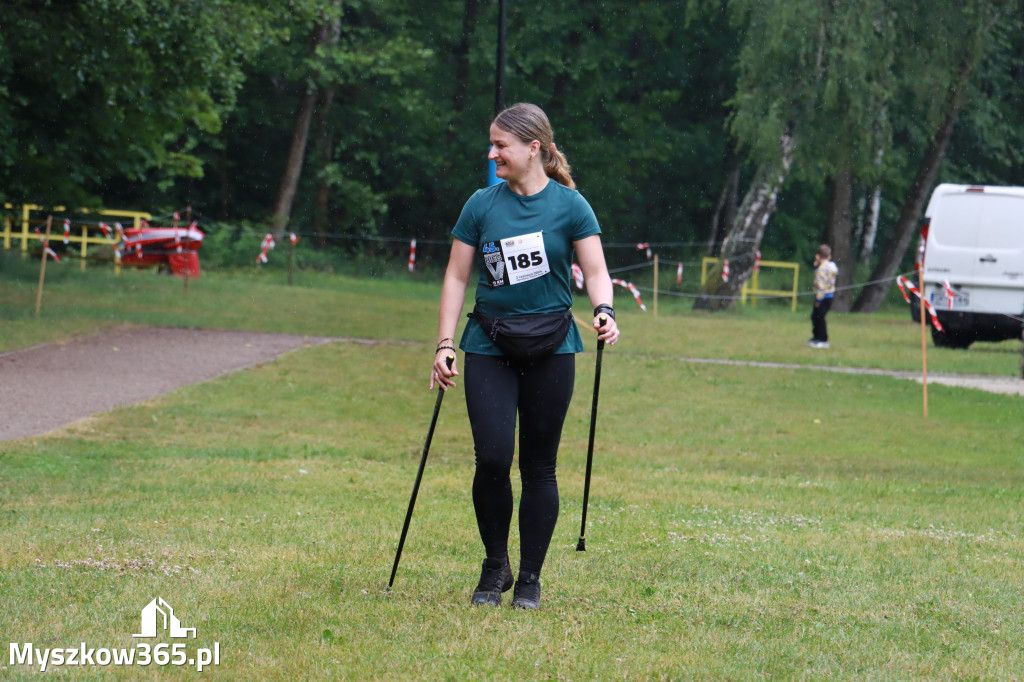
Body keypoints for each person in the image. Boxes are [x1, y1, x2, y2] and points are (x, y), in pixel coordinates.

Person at [430, 103, 620, 610]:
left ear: (533, 147)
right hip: (488, 344)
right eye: (491, 145)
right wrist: (445, 344)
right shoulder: (481, 205)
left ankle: (531, 577)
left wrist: (604, 310)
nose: (492, 154)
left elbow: (596, 270)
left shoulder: (571, 206)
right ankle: (496, 565)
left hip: (553, 347)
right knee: (492, 458)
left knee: (540, 466)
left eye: (501, 146)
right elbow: (455, 277)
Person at [808, 244, 838, 348]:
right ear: (829, 256)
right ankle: (816, 337)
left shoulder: (821, 269)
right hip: (829, 296)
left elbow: (821, 285)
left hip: (822, 297)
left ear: (818, 256)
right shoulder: (831, 267)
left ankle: (823, 339)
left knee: (819, 318)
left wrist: (818, 300)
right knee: (815, 317)